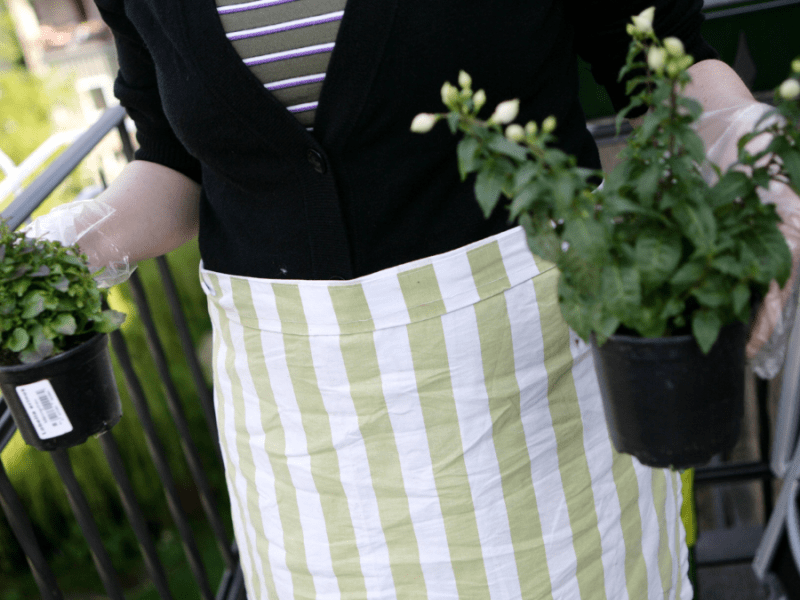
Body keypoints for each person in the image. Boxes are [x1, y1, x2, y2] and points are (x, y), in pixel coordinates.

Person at [30, 0, 799, 597]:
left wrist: (744, 152)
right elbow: (173, 158)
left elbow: (669, 59)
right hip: (305, 443)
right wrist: (59, 251)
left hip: (539, 405)